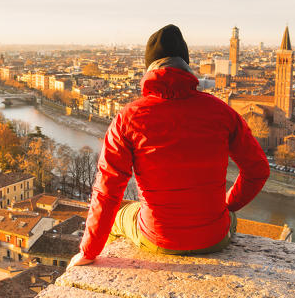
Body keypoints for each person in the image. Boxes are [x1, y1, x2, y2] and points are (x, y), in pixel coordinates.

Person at [68, 24, 269, 268]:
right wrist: (227, 206)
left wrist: (88, 250)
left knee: (122, 215)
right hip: (214, 238)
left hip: (158, 237)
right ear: (186, 66)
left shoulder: (128, 117)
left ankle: (99, 263)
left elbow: (107, 188)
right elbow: (258, 170)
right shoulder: (222, 112)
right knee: (228, 217)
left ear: (149, 68)